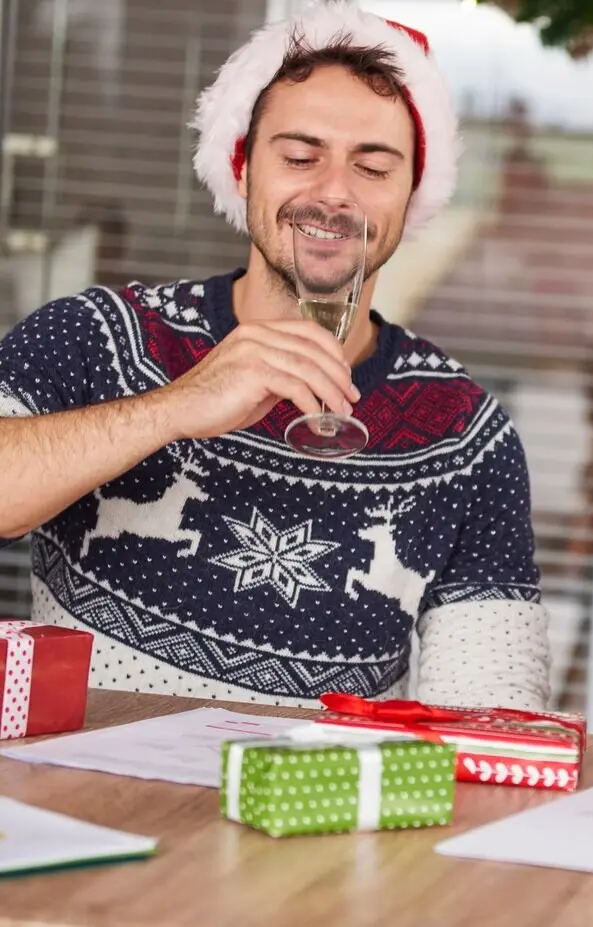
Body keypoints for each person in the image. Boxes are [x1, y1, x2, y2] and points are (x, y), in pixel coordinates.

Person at [0, 2, 551, 711]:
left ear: (413, 194)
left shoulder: (466, 435)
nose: (333, 193)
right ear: (242, 168)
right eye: (299, 156)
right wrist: (177, 406)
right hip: (96, 811)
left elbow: (490, 713)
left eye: (373, 167)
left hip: (317, 815)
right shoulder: (96, 337)